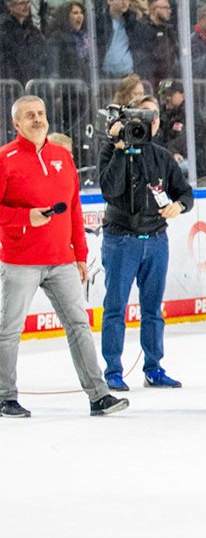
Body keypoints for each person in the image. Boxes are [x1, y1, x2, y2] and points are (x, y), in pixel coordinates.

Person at [0, 95, 124, 418]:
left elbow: (73, 209)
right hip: (20, 260)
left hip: (61, 260)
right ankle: (4, 397)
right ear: (16, 123)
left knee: (79, 325)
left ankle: (99, 395)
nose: (37, 119)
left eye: (41, 113)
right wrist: (25, 218)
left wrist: (80, 254)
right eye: (29, 115)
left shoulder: (62, 156)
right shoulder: (5, 159)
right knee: (9, 330)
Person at [97, 89, 194, 391]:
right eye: (141, 116)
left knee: (153, 309)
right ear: (129, 119)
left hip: (155, 240)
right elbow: (109, 190)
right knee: (115, 308)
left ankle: (154, 368)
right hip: (121, 240)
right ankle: (113, 370)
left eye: (153, 117)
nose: (148, 123)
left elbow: (185, 193)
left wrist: (179, 206)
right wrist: (119, 148)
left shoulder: (162, 157)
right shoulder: (111, 151)